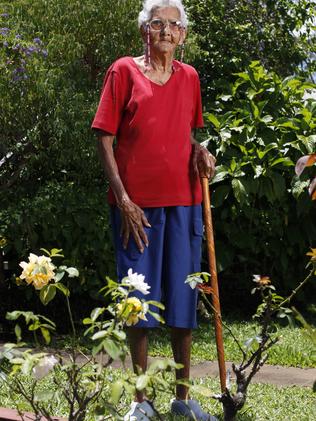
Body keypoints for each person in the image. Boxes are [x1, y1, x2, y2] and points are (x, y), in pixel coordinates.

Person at [92, 1, 217, 419]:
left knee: (183, 299)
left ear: (182, 35)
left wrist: (202, 153)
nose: (166, 31)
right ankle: (140, 402)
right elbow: (104, 139)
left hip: (185, 203)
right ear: (144, 29)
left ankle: (182, 397)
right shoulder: (123, 71)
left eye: (173, 25)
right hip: (136, 209)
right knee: (137, 302)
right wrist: (123, 199)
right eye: (157, 23)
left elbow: (185, 133)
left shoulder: (191, 78)